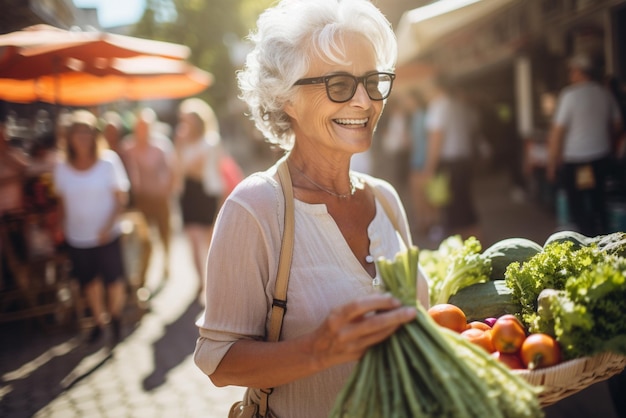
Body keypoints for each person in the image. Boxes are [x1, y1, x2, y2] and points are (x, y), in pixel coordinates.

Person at [192, 1, 428, 416]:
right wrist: (319, 350)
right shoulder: (256, 208)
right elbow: (219, 361)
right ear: (287, 98)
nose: (363, 101)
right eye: (339, 84)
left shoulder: (386, 200)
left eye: (374, 81)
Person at [52, 110, 130, 345]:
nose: (83, 137)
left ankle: (115, 316)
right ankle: (99, 321)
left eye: (87, 132)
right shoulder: (62, 168)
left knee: (114, 280)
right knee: (89, 282)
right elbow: (62, 203)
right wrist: (61, 229)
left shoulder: (108, 162)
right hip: (77, 236)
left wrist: (107, 226)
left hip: (108, 233)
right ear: (69, 137)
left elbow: (121, 198)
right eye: (78, 132)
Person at [546, 54, 624, 236]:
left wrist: (552, 163)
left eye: (571, 71)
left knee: (578, 207)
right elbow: (618, 125)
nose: (570, 75)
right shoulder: (604, 93)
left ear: (578, 72)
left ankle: (586, 243)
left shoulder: (569, 95)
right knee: (600, 203)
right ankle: (605, 242)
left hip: (577, 160)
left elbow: (557, 132)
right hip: (601, 157)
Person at [174, 98, 225, 298]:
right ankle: (200, 281)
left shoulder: (210, 142)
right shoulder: (182, 144)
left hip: (206, 193)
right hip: (188, 193)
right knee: (193, 240)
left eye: (187, 120)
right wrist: (179, 147)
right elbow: (177, 171)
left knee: (209, 240)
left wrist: (180, 150)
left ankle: (214, 279)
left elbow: (195, 171)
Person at [422, 76, 481, 242]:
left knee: (455, 213)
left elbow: (436, 138)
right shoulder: (458, 105)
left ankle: (468, 252)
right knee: (465, 209)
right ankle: (477, 246)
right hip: (464, 161)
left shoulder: (439, 106)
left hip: (450, 164)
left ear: (435, 88)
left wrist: (429, 168)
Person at [123, 108, 177, 280]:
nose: (142, 130)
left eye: (145, 126)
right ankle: (142, 277)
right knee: (145, 240)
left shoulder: (161, 147)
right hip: (141, 202)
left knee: (165, 234)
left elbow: (171, 171)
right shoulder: (128, 147)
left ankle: (167, 263)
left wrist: (167, 190)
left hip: (160, 199)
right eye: (139, 126)